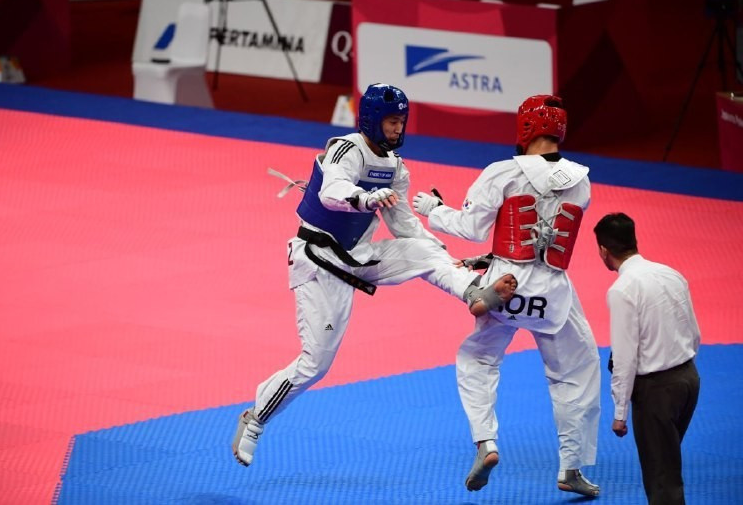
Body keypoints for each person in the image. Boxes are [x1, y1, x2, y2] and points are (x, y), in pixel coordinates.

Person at [232, 83, 517, 467]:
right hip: (318, 260)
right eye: (391, 122)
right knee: (315, 364)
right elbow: (331, 192)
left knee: (422, 248)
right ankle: (255, 419)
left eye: (402, 122)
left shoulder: (396, 169)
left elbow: (405, 227)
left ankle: (474, 291)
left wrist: (448, 257)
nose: (398, 130)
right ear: (370, 120)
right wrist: (365, 199)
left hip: (359, 258)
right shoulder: (346, 149)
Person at [412, 94, 601, 496]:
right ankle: (571, 467)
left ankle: (486, 441)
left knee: (476, 358)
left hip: (505, 289)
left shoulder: (502, 172)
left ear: (526, 128)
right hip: (553, 291)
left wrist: (433, 208)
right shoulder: (582, 180)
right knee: (578, 373)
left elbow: (471, 226)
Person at [594, 212, 701, 504]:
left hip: (656, 392)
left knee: (662, 476)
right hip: (689, 379)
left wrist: (619, 413)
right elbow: (694, 332)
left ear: (604, 250)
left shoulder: (622, 290)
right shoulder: (670, 273)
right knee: (666, 463)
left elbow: (624, 357)